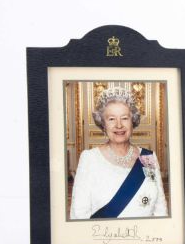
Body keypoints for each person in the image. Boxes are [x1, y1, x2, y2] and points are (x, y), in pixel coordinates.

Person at [70, 87, 168, 220]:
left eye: (124, 118)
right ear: (103, 125)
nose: (119, 125)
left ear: (132, 121)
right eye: (111, 119)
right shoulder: (89, 159)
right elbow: (79, 215)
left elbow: (160, 208)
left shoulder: (147, 158)